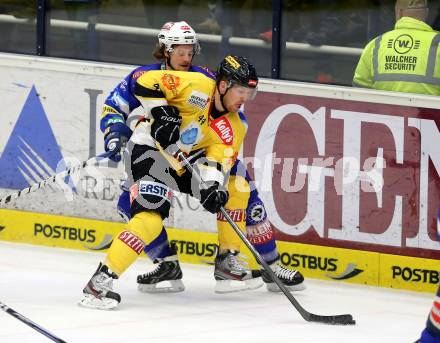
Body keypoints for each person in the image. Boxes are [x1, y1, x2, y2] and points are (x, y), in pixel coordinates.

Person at [98, 21, 305, 296]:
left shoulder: (204, 79)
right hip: (151, 153)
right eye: (180, 51)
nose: (186, 57)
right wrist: (116, 131)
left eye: (190, 51)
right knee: (132, 207)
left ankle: (261, 263)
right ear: (166, 50)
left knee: (240, 186)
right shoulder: (147, 75)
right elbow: (116, 103)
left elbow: (222, 142)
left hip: (196, 157)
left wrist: (212, 183)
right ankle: (165, 265)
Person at [353, 0, 440, 95]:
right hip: (427, 109)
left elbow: (360, 88)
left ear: (399, 12)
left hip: (385, 109)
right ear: (426, 13)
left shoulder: (376, 44)